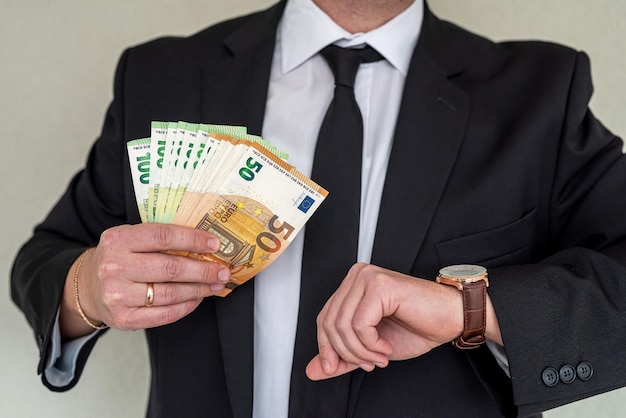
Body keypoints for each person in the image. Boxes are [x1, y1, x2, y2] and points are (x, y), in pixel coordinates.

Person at [11, 0, 626, 416]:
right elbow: (46, 256)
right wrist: (85, 291)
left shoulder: (541, 91)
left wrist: (471, 308)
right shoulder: (161, 74)